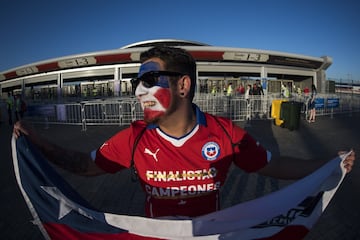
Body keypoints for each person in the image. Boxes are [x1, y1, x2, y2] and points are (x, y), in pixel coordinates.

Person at [13, 46, 355, 219]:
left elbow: (273, 166)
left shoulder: (225, 134)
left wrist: (327, 164)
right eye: (136, 83)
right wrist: (35, 141)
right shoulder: (133, 137)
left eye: (148, 81)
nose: (137, 91)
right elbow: (84, 165)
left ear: (183, 85)